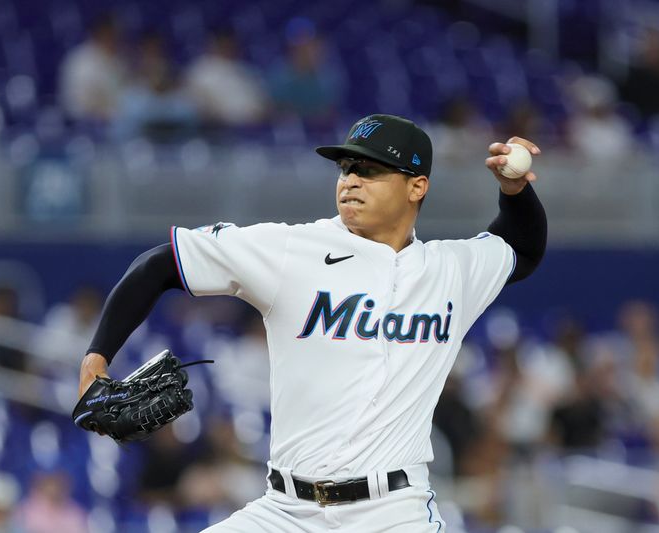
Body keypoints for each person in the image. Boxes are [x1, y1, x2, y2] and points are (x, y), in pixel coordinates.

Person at [77, 114, 547, 531]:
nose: (350, 180)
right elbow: (159, 265)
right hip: (284, 511)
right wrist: (95, 359)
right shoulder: (291, 251)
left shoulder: (452, 270)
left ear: (416, 186)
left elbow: (522, 249)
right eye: (345, 168)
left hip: (394, 513)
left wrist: (515, 193)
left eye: (370, 169)